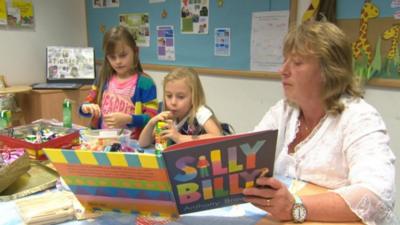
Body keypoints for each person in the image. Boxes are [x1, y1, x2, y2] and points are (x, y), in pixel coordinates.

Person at [242, 21, 397, 225]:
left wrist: (295, 206)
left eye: (296, 63)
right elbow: (247, 156)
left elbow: (376, 197)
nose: (283, 70)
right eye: (285, 60)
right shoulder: (284, 110)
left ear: (328, 71)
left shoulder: (359, 116)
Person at [79, 26, 158, 139]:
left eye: (123, 55)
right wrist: (86, 107)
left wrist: (129, 119)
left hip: (130, 145)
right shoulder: (103, 78)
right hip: (102, 141)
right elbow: (87, 103)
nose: (118, 61)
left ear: (135, 51)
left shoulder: (145, 83)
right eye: (112, 57)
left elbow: (151, 117)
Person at [138, 67, 222, 147]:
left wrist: (179, 138)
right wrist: (151, 123)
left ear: (194, 96)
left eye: (181, 97)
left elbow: (217, 137)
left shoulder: (200, 111)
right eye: (169, 96)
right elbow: (143, 143)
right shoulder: (165, 112)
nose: (173, 102)